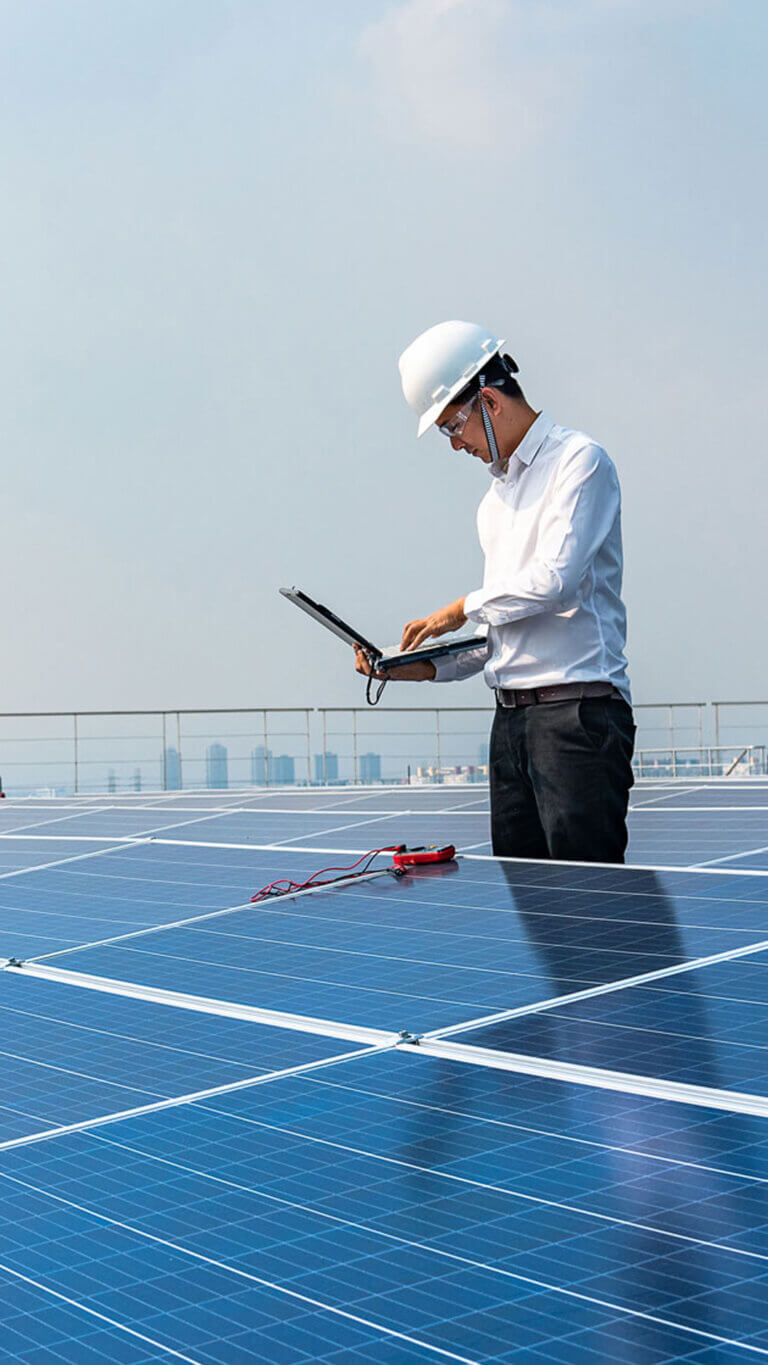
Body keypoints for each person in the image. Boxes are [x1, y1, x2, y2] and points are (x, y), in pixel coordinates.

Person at [355, 320, 635, 864]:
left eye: (452, 427)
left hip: (576, 718)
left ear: (489, 400)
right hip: (510, 726)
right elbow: (499, 632)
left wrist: (459, 608)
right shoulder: (494, 502)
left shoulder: (579, 463)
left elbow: (555, 582)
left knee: (589, 910)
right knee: (528, 906)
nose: (455, 444)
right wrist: (413, 667)